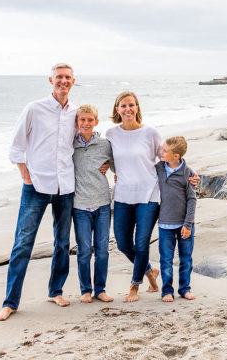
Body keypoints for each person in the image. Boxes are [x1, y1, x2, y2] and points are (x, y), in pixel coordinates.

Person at [0, 63, 78, 321]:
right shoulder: (34, 109)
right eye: (59, 77)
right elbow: (16, 147)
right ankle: (10, 302)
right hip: (36, 186)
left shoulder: (76, 112)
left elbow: (83, 143)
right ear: (50, 80)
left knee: (62, 243)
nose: (63, 81)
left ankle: (56, 291)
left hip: (65, 186)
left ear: (73, 81)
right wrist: (26, 177)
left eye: (67, 77)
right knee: (23, 244)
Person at [106, 91, 200, 303]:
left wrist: (191, 175)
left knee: (141, 244)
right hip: (122, 195)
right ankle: (150, 271)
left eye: (131, 105)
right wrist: (108, 170)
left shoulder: (150, 133)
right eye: (123, 106)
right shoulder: (111, 134)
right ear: (117, 110)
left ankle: (134, 287)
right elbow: (109, 159)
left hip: (149, 196)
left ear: (137, 108)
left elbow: (170, 158)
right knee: (122, 243)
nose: (127, 109)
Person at [72, 104, 115, 303]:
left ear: (96, 122)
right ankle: (85, 290)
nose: (86, 123)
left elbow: (119, 166)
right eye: (82, 120)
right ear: (77, 122)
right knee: (83, 251)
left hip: (103, 204)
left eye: (90, 120)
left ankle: (100, 289)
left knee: (103, 249)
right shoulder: (70, 145)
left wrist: (109, 168)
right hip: (80, 205)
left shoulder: (105, 145)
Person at [156, 136, 197, 302]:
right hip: (165, 224)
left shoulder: (188, 173)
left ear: (176, 156)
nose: (161, 152)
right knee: (166, 259)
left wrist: (188, 224)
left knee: (185, 258)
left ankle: (184, 289)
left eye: (165, 151)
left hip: (184, 225)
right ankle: (167, 290)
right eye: (162, 149)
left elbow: (192, 199)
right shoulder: (158, 168)